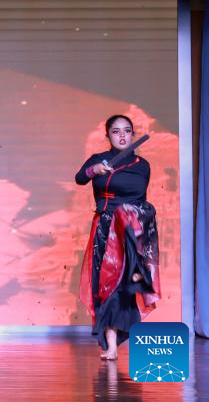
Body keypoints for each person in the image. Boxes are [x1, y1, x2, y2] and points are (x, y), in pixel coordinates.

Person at [75, 114, 160, 360]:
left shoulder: (142, 165)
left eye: (127, 130)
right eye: (116, 131)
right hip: (106, 229)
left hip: (132, 233)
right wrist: (95, 170)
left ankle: (121, 338)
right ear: (108, 135)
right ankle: (111, 345)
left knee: (128, 285)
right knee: (107, 284)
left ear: (133, 134)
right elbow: (80, 178)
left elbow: (142, 200)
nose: (122, 135)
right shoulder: (98, 160)